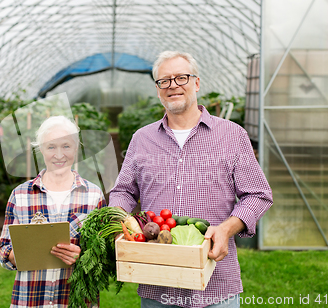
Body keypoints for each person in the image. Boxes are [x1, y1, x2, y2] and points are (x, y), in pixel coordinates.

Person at [108, 51, 273, 308]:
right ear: (158, 89)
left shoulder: (231, 135)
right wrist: (120, 220)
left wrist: (226, 229)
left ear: (196, 83)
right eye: (165, 81)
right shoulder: (142, 138)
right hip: (158, 283)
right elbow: (124, 191)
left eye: (181, 77)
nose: (173, 85)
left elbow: (258, 194)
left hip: (216, 281)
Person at [0, 115, 106, 308]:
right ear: (40, 149)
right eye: (51, 147)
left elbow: (105, 257)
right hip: (30, 300)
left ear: (76, 148)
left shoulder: (93, 195)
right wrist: (19, 254)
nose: (59, 155)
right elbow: (3, 251)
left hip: (76, 301)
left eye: (66, 146)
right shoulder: (20, 195)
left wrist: (83, 257)